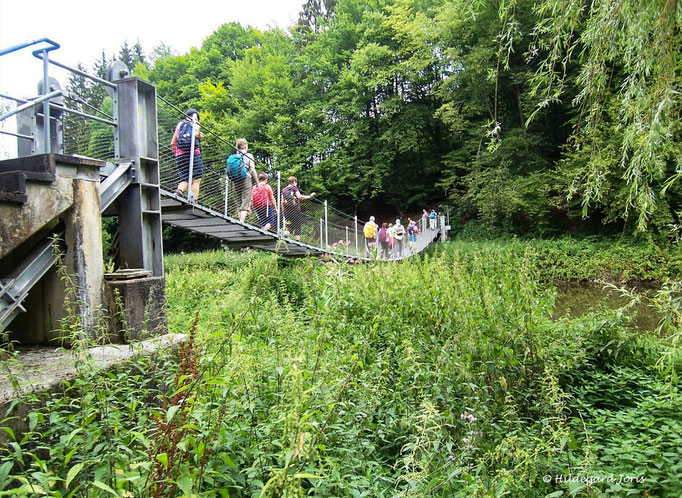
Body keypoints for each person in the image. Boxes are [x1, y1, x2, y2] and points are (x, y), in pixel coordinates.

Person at [171, 109, 204, 200]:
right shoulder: (195, 123)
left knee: (185, 179)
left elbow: (172, 143)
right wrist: (200, 135)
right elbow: (196, 134)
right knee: (196, 179)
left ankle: (179, 191)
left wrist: (177, 154)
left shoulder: (180, 125)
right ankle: (193, 201)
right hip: (194, 155)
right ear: (195, 118)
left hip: (180, 156)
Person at [281, 176, 316, 241]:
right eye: (296, 182)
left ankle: (285, 235)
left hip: (286, 211)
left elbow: (282, 202)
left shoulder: (284, 190)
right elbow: (299, 197)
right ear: (294, 182)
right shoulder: (294, 188)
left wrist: (283, 210)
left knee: (290, 226)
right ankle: (297, 241)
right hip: (295, 210)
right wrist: (309, 196)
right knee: (298, 225)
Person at [233, 138, 259, 223]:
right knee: (246, 201)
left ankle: (239, 220)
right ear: (246, 145)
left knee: (239, 201)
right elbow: (252, 169)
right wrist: (257, 181)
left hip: (235, 179)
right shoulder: (249, 155)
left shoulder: (234, 157)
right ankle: (241, 222)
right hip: (246, 178)